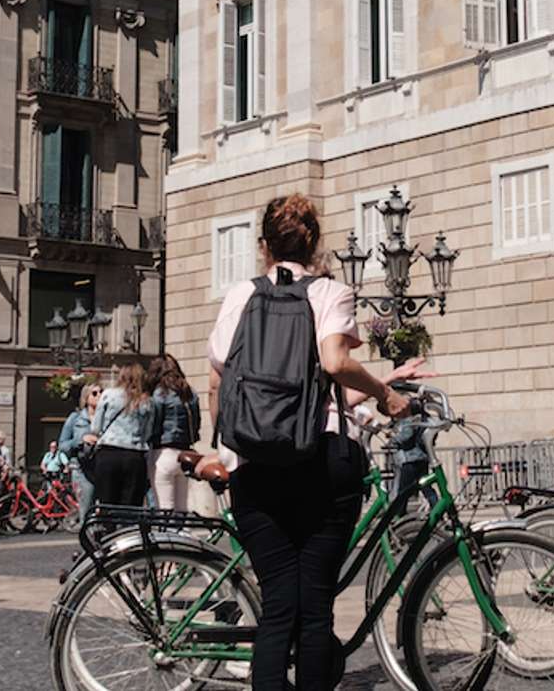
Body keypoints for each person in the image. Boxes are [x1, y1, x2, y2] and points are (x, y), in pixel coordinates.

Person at [206, 193, 411, 691]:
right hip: (323, 459)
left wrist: (226, 451)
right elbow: (335, 363)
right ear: (314, 242)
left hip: (256, 464)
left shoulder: (240, 296)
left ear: (264, 247)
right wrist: (385, 393)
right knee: (314, 608)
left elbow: (216, 381)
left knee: (278, 607)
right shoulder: (330, 293)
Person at [83, 364, 154, 508]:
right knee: (131, 506)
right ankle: (127, 530)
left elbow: (96, 427)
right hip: (135, 455)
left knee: (107, 503)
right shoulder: (147, 401)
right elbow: (148, 433)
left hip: (109, 453)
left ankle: (108, 529)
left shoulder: (109, 394)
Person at [147, 355, 202, 514]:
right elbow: (197, 422)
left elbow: (154, 425)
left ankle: (167, 538)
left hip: (164, 452)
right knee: (181, 509)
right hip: (185, 453)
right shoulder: (190, 391)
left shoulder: (160, 393)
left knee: (164, 509)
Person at [58, 385, 101, 519]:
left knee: (105, 512)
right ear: (86, 398)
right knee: (87, 511)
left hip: (103, 467)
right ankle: (88, 538)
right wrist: (81, 440)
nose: (99, 395)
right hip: (82, 469)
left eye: (101, 392)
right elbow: (63, 445)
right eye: (94, 393)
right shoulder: (75, 418)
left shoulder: (107, 417)